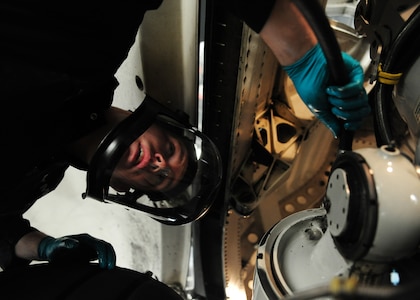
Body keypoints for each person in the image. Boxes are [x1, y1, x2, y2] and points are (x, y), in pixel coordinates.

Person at [0, 0, 369, 282]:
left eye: (158, 179)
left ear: (121, 186)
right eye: (172, 151)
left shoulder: (29, 180)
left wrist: (39, 245)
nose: (160, 164)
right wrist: (300, 52)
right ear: (154, 119)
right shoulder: (93, 44)